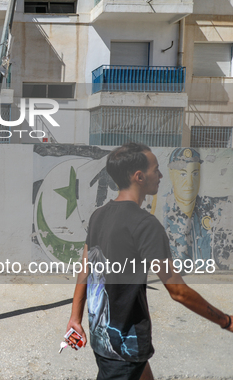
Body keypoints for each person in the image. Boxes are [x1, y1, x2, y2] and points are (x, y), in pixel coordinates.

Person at [66, 142, 232, 380]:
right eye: (156, 169)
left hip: (103, 339)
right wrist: (226, 321)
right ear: (139, 176)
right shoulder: (145, 225)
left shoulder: (98, 216)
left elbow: (85, 270)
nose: (161, 175)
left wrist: (75, 318)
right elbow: (178, 292)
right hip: (124, 346)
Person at [163, 147, 233, 269]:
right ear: (171, 175)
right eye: (183, 174)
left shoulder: (211, 208)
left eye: (195, 173)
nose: (190, 182)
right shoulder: (162, 211)